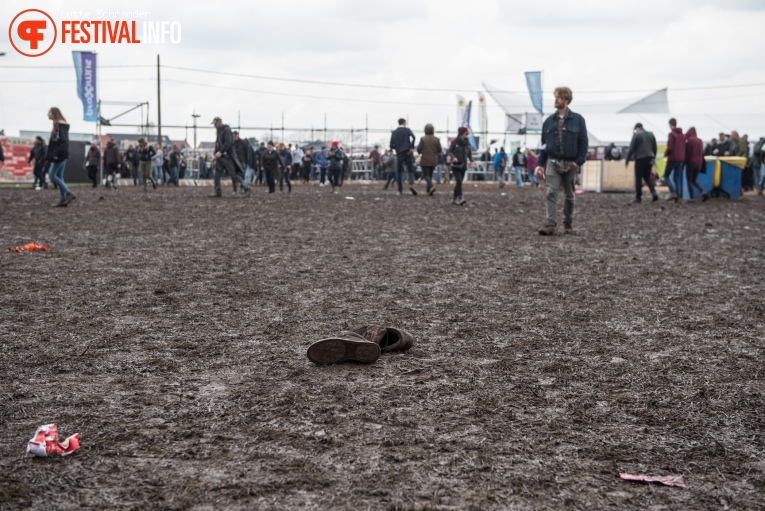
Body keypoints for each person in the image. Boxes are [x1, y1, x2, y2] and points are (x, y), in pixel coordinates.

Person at [534, 87, 588, 235]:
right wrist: (540, 164)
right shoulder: (548, 122)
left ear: (566, 99)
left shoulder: (578, 120)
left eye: (558, 97)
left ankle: (568, 223)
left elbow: (583, 143)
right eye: (555, 96)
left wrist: (578, 162)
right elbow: (544, 146)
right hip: (552, 162)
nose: (555, 99)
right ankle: (550, 224)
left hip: (571, 163)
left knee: (569, 195)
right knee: (551, 192)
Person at [211, 117, 248, 197]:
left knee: (233, 174)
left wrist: (221, 152)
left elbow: (228, 143)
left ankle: (246, 186)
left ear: (219, 122)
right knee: (217, 174)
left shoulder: (226, 130)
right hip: (220, 157)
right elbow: (217, 145)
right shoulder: (219, 131)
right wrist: (215, 158)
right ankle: (217, 191)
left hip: (227, 156)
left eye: (215, 123)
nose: (214, 125)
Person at [45, 107, 75, 207]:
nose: (47, 114)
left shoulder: (60, 126)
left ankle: (68, 193)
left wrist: (56, 154)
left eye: (49, 112)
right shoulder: (58, 126)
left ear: (54, 113)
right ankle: (63, 199)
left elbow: (63, 142)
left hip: (59, 155)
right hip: (60, 155)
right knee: (59, 176)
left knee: (52, 175)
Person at [625, 122, 658, 203]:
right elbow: (655, 146)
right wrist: (653, 157)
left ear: (637, 128)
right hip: (649, 157)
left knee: (638, 178)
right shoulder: (651, 134)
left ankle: (638, 197)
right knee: (647, 177)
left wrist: (627, 160)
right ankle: (654, 192)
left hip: (640, 158)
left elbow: (631, 148)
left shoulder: (636, 135)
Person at [390, 118, 417, 195]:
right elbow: (414, 137)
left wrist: (397, 149)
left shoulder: (394, 132)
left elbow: (391, 145)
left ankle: (400, 189)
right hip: (408, 152)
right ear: (404, 122)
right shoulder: (407, 130)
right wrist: (411, 147)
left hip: (399, 153)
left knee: (399, 171)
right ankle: (411, 184)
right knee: (410, 169)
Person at [447, 126, 474, 205]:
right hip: (456, 166)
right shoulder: (454, 142)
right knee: (459, 181)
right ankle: (460, 197)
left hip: (463, 165)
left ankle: (454, 198)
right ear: (462, 134)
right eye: (466, 133)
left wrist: (472, 161)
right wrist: (454, 157)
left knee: (459, 182)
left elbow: (469, 153)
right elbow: (450, 151)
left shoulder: (467, 143)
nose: (467, 134)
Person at [416, 124, 442, 196]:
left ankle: (431, 186)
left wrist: (421, 154)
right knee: (430, 175)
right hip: (433, 160)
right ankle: (428, 191)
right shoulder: (436, 139)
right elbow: (439, 149)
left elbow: (418, 148)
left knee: (425, 175)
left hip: (425, 159)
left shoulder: (423, 139)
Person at [663, 118, 686, 201]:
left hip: (673, 158)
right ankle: (678, 197)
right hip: (681, 159)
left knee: (666, 176)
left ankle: (673, 192)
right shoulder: (683, 135)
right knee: (676, 178)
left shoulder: (672, 134)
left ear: (670, 124)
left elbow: (670, 147)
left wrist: (665, 154)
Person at [685, 127, 708, 201]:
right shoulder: (700, 140)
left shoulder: (689, 140)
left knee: (689, 181)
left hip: (691, 163)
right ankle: (703, 191)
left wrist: (684, 163)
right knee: (694, 180)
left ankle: (691, 197)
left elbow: (687, 152)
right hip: (699, 163)